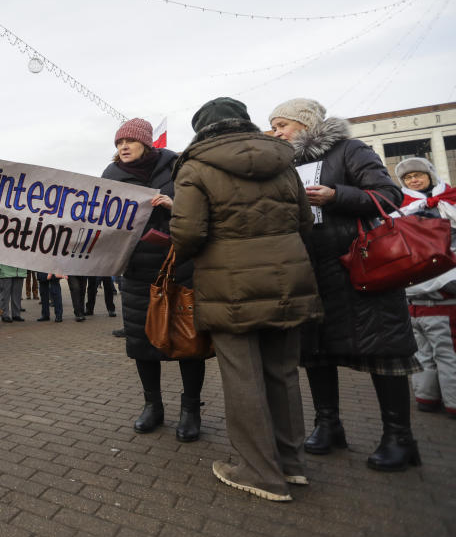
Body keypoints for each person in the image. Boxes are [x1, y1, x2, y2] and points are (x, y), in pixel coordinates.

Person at [171, 97, 322, 501]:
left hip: (229, 285)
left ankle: (259, 472)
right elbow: (305, 221)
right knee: (283, 373)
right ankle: (292, 466)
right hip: (287, 278)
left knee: (243, 377)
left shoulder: (196, 166)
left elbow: (187, 234)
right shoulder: (284, 161)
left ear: (201, 130)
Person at [271, 98, 421, 471]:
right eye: (273, 127)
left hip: (361, 267)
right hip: (311, 269)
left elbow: (389, 195)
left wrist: (336, 196)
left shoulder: (350, 150)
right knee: (316, 351)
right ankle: (328, 425)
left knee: (382, 350)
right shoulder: (284, 164)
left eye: (282, 126)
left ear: (305, 124)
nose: (276, 133)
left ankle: (399, 438)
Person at [102, 118, 207, 441]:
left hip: (180, 267)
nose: (123, 148)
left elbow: (203, 209)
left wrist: (176, 207)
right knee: (141, 342)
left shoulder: (178, 168)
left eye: (129, 142)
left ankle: (191, 410)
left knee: (188, 341)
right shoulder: (110, 175)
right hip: (136, 271)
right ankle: (153, 405)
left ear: (147, 143)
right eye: (119, 143)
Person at [393, 158, 456, 419]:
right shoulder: (401, 207)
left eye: (418, 175)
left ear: (430, 175)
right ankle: (448, 402)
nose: (414, 180)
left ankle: (427, 397)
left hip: (420, 291)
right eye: (408, 178)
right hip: (439, 291)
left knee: (427, 352)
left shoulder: (447, 200)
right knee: (445, 353)